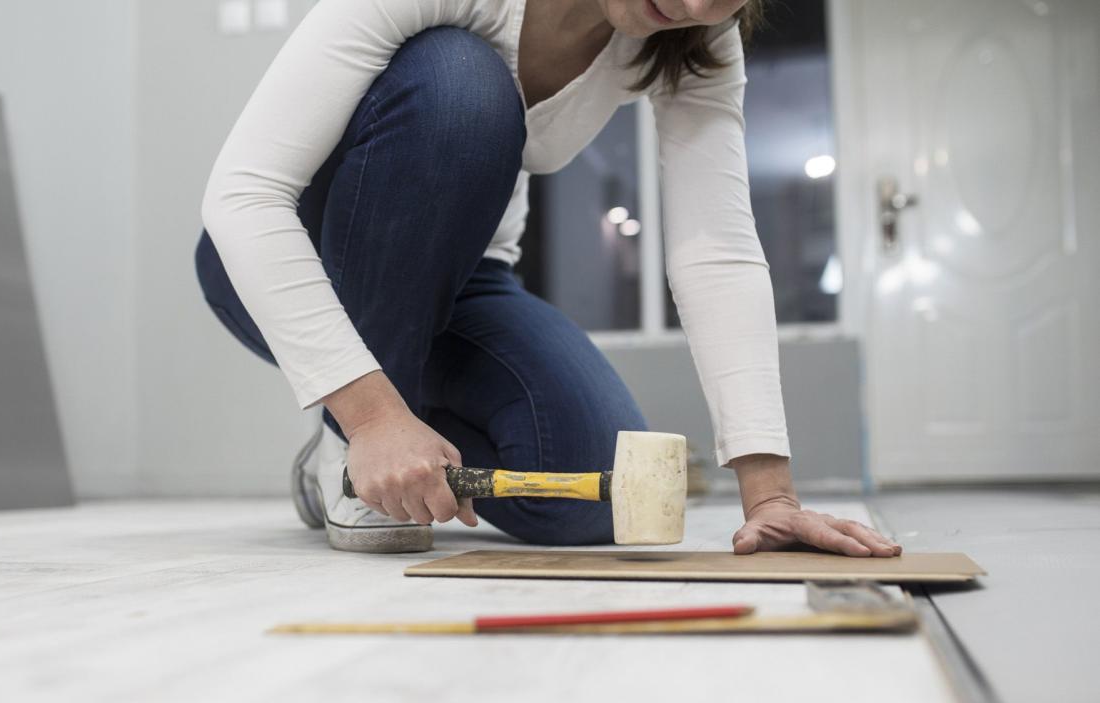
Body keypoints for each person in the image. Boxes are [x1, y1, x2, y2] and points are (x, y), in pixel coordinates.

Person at [195, 0, 902, 557]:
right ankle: (351, 439)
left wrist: (770, 495)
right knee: (464, 84)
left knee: (594, 491)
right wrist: (371, 418)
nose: (692, 3)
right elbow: (243, 195)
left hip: (467, 285)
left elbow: (714, 249)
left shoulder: (698, 40)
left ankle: (357, 439)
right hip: (309, 261)